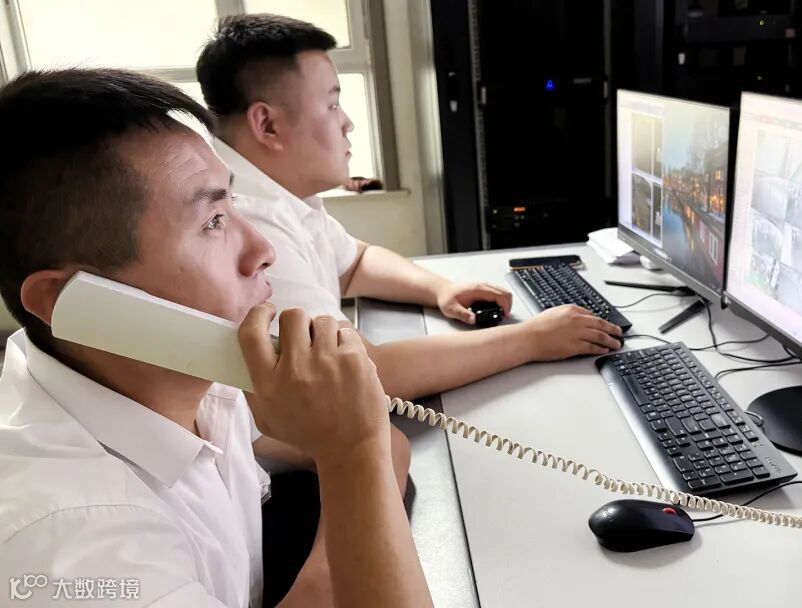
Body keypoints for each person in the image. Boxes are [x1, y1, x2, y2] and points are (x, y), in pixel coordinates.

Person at [0, 68, 430, 607]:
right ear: (71, 303)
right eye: (212, 222)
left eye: (233, 208)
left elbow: (385, 443)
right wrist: (352, 456)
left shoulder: (178, 373)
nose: (263, 250)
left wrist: (353, 452)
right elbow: (371, 449)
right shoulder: (73, 550)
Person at [195, 14, 624, 404]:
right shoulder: (247, 223)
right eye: (331, 104)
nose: (347, 122)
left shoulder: (277, 194)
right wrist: (531, 340)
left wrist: (439, 289)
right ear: (267, 124)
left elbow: (354, 263)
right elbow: (367, 374)